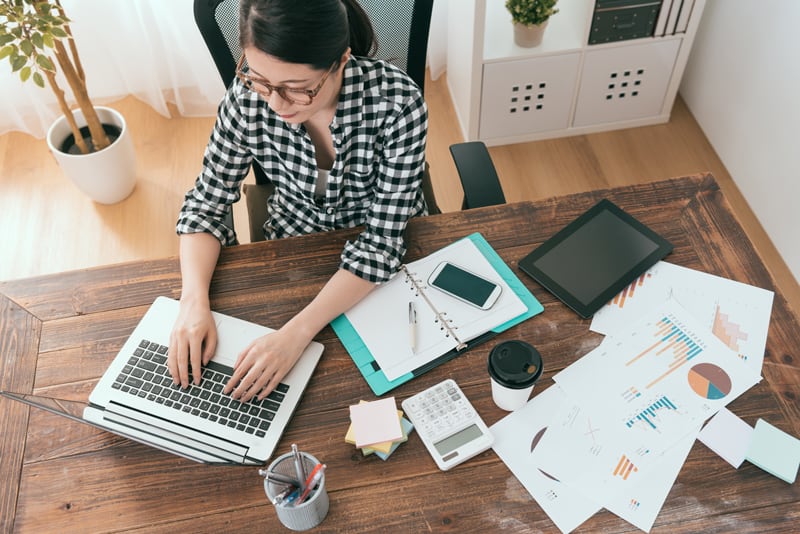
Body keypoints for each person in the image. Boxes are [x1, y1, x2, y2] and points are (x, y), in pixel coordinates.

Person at [168, 0, 428, 403]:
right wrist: (192, 301)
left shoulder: (398, 104)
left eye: (297, 88)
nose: (275, 103)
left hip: (378, 274)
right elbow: (205, 204)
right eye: (258, 78)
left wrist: (296, 334)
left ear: (340, 60)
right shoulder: (247, 99)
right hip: (295, 250)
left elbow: (381, 244)